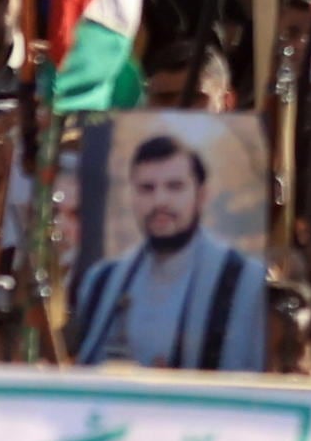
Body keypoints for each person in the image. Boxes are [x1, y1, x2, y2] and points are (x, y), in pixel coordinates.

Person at [69, 128, 268, 370]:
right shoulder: (100, 281)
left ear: (201, 195)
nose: (160, 201)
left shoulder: (245, 282)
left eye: (174, 187)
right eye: (147, 188)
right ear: (132, 196)